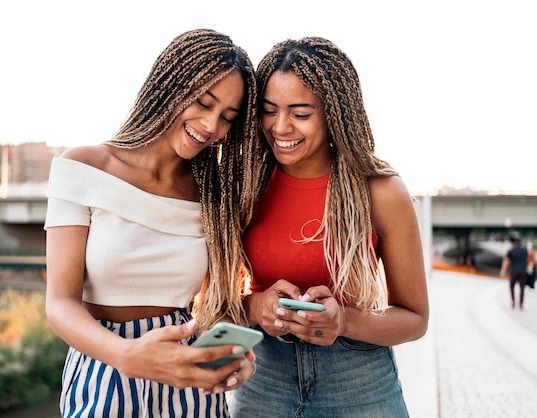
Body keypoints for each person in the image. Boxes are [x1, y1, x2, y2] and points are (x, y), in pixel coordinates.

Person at [44, 29, 261, 417]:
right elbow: (60, 304)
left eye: (227, 118)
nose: (211, 126)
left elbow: (219, 304)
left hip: (188, 379)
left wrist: (230, 356)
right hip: (104, 371)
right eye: (203, 102)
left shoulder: (213, 195)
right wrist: (127, 356)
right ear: (169, 85)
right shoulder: (84, 167)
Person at [228, 37, 429, 417]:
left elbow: (415, 319)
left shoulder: (382, 192)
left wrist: (344, 320)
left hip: (358, 380)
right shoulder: (244, 188)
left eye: (300, 113)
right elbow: (208, 305)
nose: (280, 127)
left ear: (333, 112)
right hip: (264, 375)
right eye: (269, 111)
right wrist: (257, 305)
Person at [500, 235, 528, 309]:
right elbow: (527, 259)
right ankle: (521, 303)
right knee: (522, 288)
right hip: (522, 271)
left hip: (513, 272)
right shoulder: (524, 250)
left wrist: (503, 270)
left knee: (512, 287)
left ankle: (513, 301)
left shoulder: (511, 250)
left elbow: (506, 260)